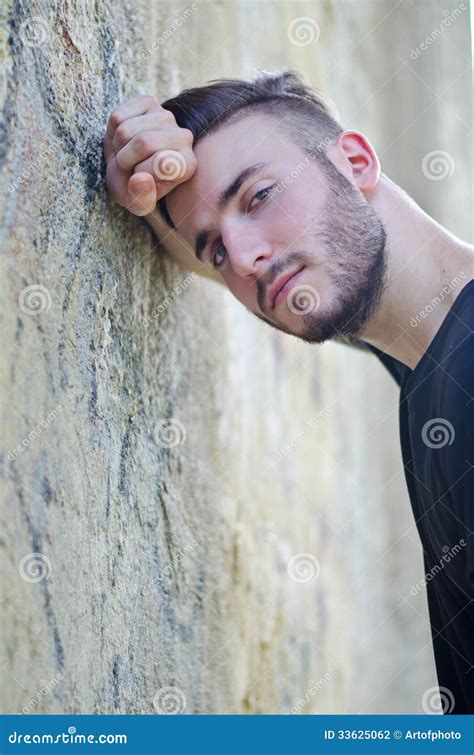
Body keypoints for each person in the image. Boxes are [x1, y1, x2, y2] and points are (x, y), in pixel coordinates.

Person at [104, 70, 474, 713]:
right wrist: (141, 189)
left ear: (355, 163)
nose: (243, 259)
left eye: (260, 195)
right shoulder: (424, 342)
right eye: (217, 249)